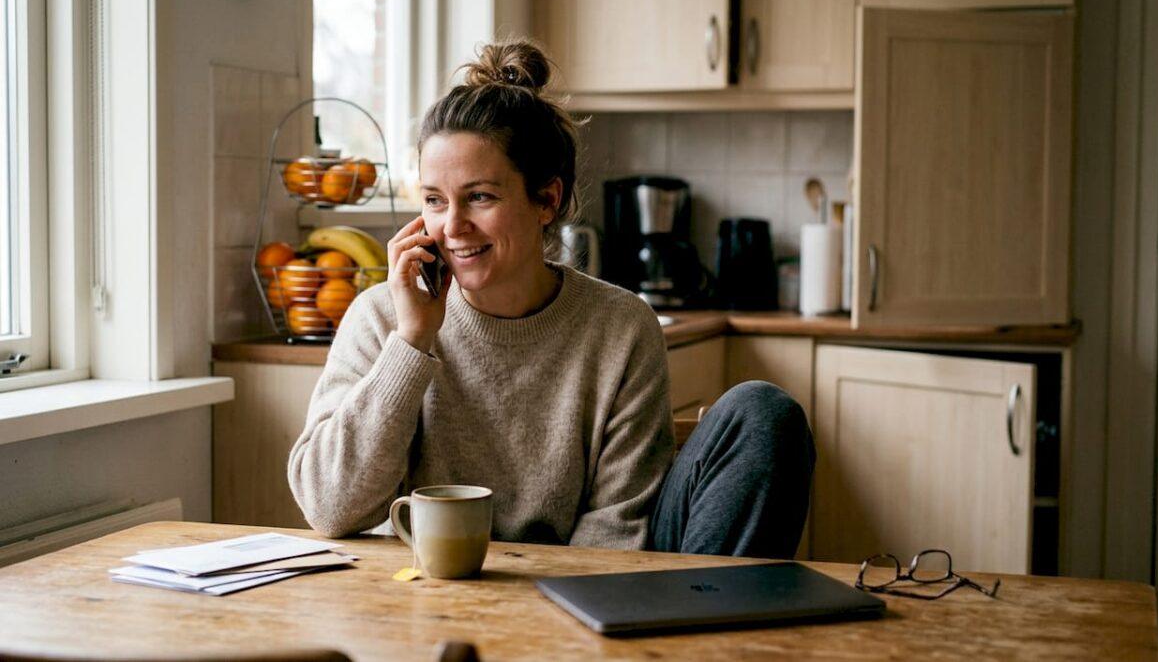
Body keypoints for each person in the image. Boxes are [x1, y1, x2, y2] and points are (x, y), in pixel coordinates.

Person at [287, 40, 816, 559]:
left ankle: (707, 636)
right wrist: (412, 341)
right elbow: (330, 510)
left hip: (582, 605)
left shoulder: (621, 327)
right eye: (433, 200)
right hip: (428, 593)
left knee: (763, 413)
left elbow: (616, 532)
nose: (451, 227)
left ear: (547, 199)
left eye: (480, 197)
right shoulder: (383, 316)